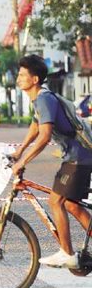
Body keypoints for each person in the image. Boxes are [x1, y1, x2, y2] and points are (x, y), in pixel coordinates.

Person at [11, 54, 92, 269]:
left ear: (34, 79)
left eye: (22, 75)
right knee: (72, 206)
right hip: (77, 157)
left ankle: (66, 253)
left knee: (55, 201)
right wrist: (20, 150)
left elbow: (45, 136)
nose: (18, 79)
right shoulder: (40, 99)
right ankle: (73, 256)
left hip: (78, 158)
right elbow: (36, 126)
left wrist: (23, 162)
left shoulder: (44, 99)